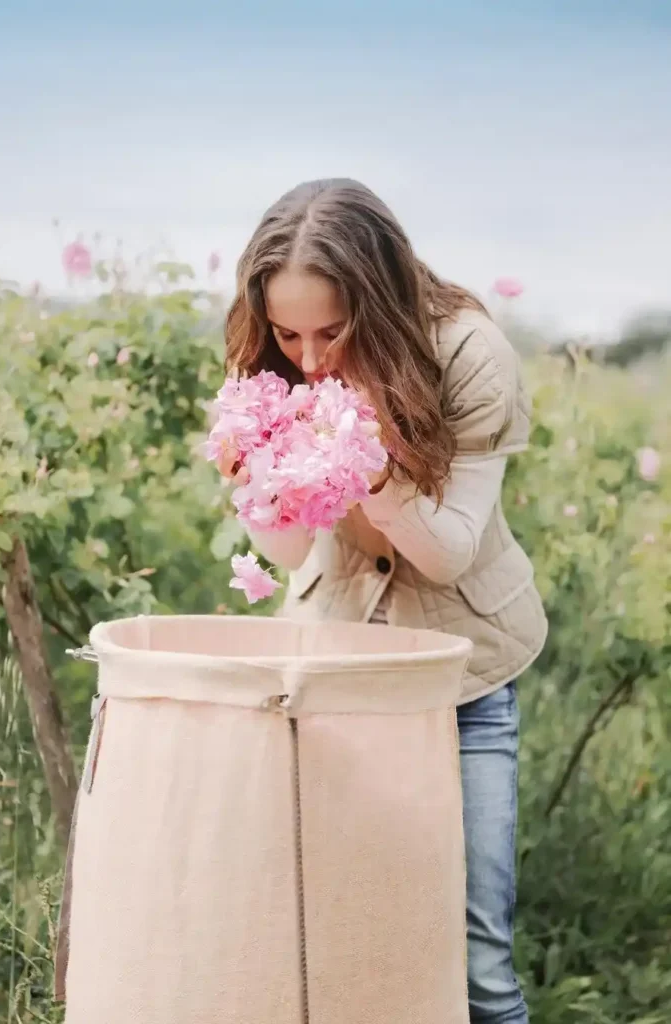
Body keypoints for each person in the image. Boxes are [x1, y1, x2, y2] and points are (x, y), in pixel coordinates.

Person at [216, 178, 548, 1024]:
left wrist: (373, 472)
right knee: (332, 935)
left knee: (479, 966)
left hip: (462, 678)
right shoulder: (275, 362)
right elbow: (290, 551)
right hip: (337, 668)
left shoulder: (468, 352)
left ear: (381, 297)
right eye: (289, 333)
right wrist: (253, 483)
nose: (311, 357)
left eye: (334, 329)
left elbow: (446, 556)